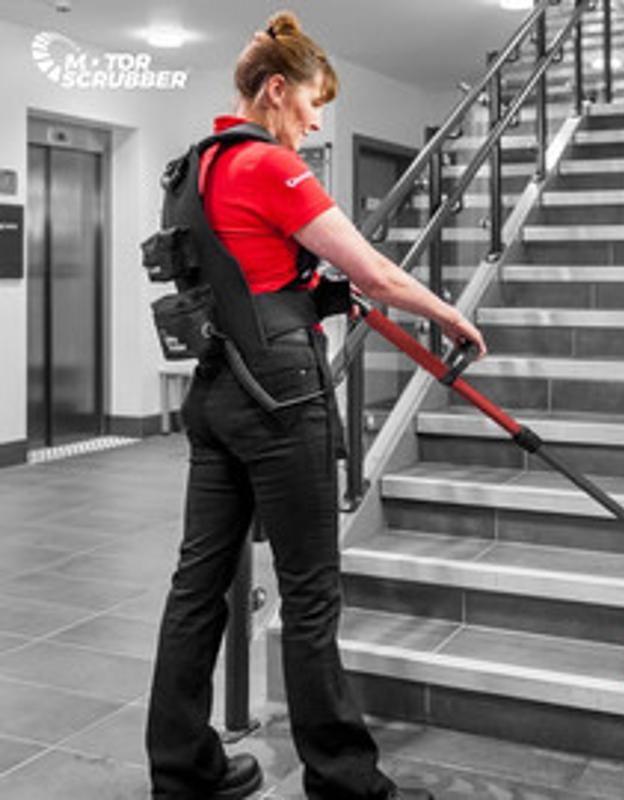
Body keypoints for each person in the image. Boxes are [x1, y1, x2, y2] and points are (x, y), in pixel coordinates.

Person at [145, 10, 486, 800]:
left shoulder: (193, 168)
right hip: (280, 399)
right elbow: (374, 272)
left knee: (197, 585)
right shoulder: (270, 166)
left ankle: (183, 771)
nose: (316, 117)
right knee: (309, 592)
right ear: (275, 90)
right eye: (311, 100)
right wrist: (448, 314)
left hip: (216, 394)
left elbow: (254, 281)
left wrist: (314, 294)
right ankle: (344, 781)